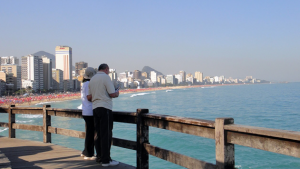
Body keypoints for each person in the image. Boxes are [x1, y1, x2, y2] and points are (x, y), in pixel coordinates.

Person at [87, 63, 120, 167]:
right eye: (108, 70)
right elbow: (112, 94)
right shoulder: (106, 78)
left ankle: (100, 157)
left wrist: (98, 95)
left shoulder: (92, 79)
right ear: (106, 69)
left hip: (95, 108)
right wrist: (117, 92)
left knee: (98, 134)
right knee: (106, 134)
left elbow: (88, 97)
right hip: (105, 107)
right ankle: (106, 160)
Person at [80, 67, 98, 160]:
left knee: (89, 133)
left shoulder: (84, 84)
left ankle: (86, 151)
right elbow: (89, 97)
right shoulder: (88, 84)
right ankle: (88, 153)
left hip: (85, 110)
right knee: (91, 133)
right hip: (90, 111)